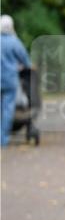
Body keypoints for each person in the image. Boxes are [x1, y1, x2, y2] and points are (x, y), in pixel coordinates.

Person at [1, 15, 31, 147]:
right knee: (8, 109)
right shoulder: (15, 42)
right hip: (9, 80)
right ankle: (3, 140)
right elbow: (25, 61)